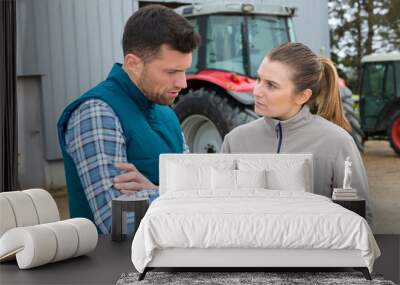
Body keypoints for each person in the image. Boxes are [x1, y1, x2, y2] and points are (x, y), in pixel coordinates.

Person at [57, 5, 200, 234]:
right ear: (133, 63)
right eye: (171, 72)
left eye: (184, 71)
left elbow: (196, 189)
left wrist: (157, 190)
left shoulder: (166, 113)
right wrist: (183, 195)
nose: (182, 83)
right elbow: (118, 221)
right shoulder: (97, 113)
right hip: (116, 267)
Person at [221, 42, 372, 224]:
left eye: (271, 85)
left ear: (303, 96)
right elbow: (223, 213)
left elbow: (359, 223)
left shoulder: (338, 143)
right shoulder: (235, 141)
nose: (256, 91)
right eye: (258, 79)